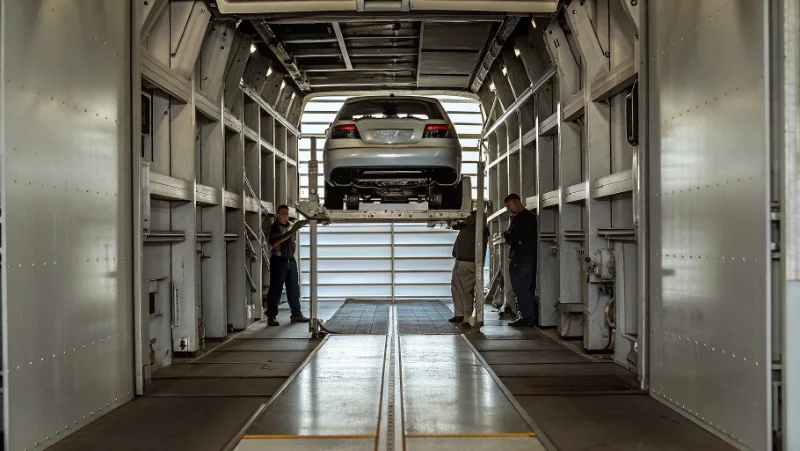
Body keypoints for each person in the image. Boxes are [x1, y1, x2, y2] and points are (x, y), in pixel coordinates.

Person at [265, 205, 310, 326]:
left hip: (291, 260)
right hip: (279, 261)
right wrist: (291, 232)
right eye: (282, 213)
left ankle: (296, 314)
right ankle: (271, 316)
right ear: (278, 214)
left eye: (286, 213)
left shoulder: (290, 225)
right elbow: (273, 243)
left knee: (294, 289)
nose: (285, 215)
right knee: (276, 289)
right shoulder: (274, 228)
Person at [503, 193, 538, 327]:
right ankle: (527, 315)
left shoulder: (521, 219)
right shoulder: (530, 218)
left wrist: (506, 235)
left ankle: (526, 317)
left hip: (520, 258)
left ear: (517, 203)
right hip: (527, 256)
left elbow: (513, 238)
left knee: (520, 288)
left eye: (509, 205)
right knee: (525, 287)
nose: (508, 208)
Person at [449, 211, 490, 327]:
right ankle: (460, 314)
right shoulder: (473, 228)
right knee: (458, 289)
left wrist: (462, 219)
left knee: (465, 290)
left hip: (467, 262)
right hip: (463, 262)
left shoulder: (474, 226)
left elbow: (467, 221)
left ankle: (466, 317)